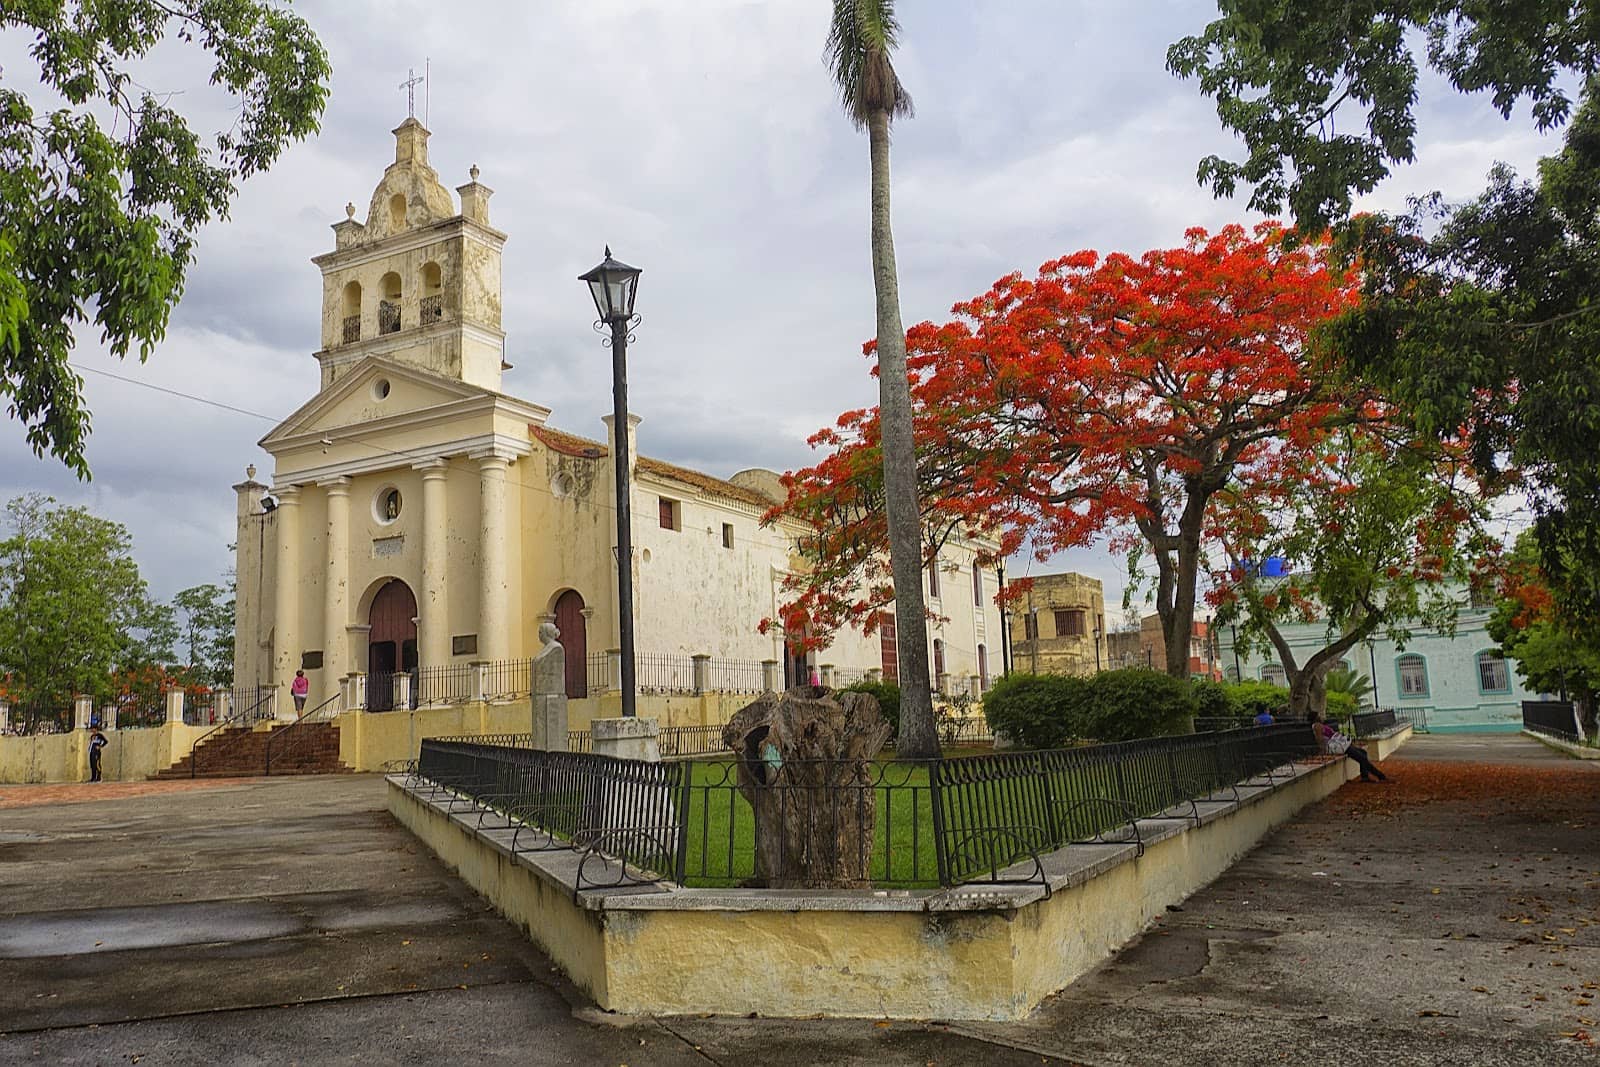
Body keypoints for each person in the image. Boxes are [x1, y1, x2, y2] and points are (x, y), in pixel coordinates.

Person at [1308, 710, 1388, 782]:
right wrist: (1324, 750)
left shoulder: (1319, 725)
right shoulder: (1317, 726)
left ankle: (1365, 776)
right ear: (1316, 718)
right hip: (1338, 746)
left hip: (1341, 744)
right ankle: (1380, 776)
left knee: (1363, 752)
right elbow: (1320, 739)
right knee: (1362, 758)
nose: (1321, 716)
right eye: (1319, 715)